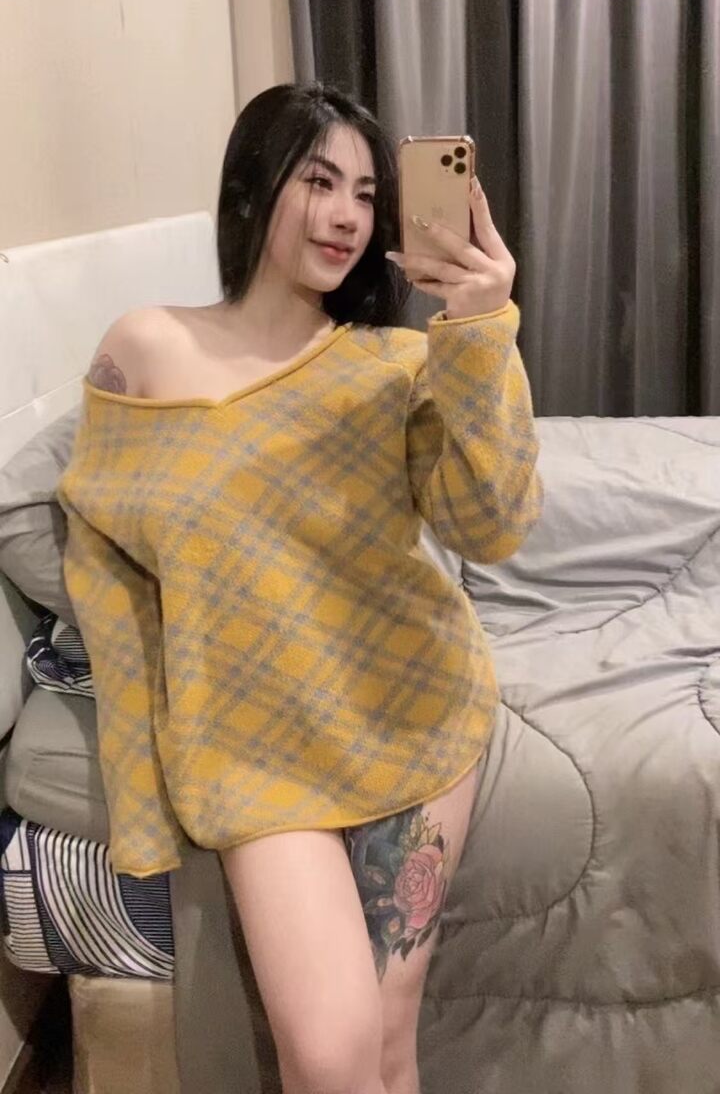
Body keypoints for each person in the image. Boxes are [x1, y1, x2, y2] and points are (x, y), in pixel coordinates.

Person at [58, 82, 542, 1094]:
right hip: (253, 748)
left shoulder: (394, 363)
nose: (346, 215)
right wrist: (141, 779)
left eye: (366, 193)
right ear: (251, 186)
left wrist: (479, 321)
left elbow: (492, 525)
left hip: (413, 707)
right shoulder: (141, 349)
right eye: (318, 180)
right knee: (327, 1054)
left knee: (389, 1039)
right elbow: (104, 559)